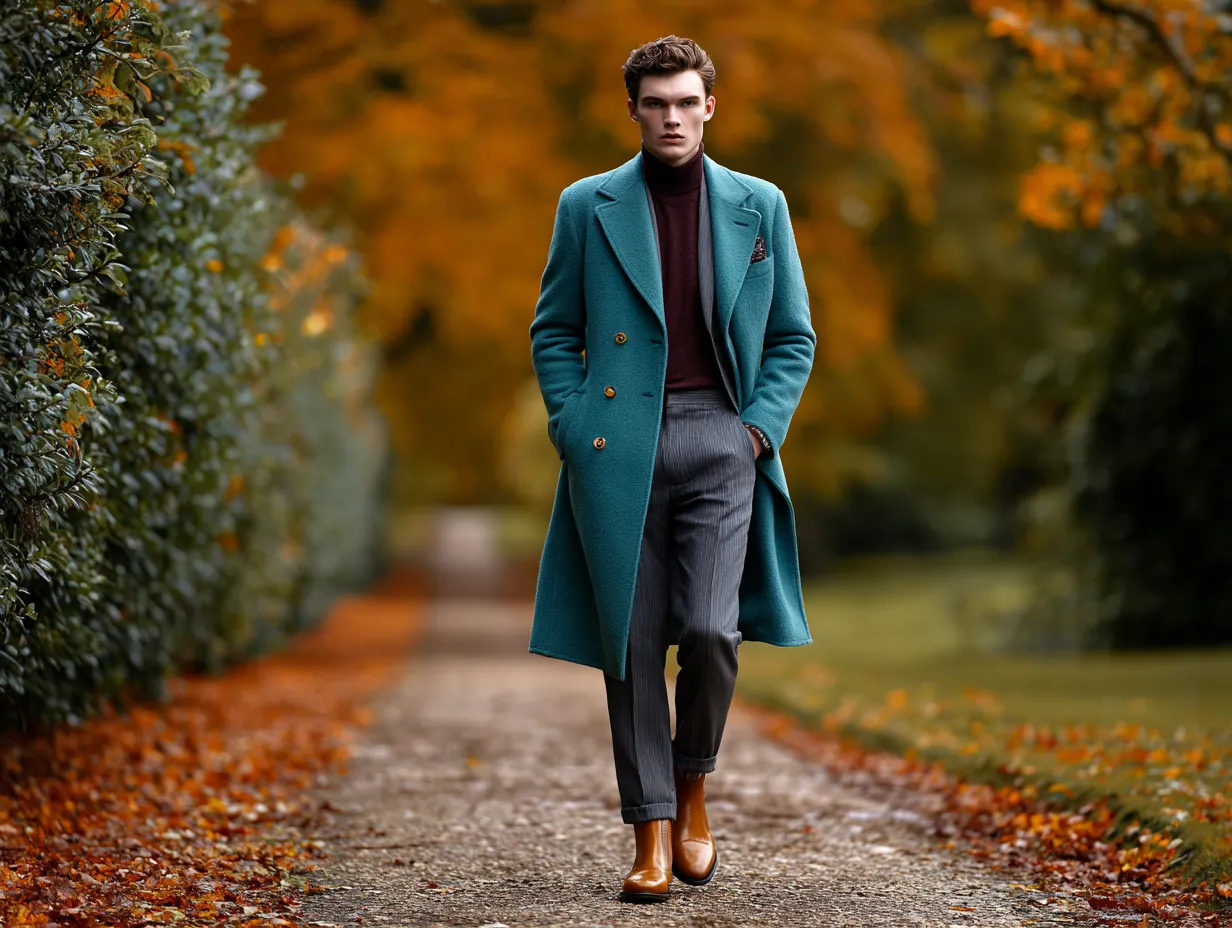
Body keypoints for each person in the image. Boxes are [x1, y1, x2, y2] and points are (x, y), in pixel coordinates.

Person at [527, 34, 816, 904]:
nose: (672, 117)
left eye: (687, 101)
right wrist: (576, 427)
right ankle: (651, 833)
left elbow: (794, 337)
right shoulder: (588, 204)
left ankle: (693, 793)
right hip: (617, 448)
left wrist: (757, 432)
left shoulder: (760, 205)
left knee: (711, 632)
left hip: (721, 442)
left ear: (710, 107)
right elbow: (553, 328)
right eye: (656, 103)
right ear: (634, 110)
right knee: (633, 642)